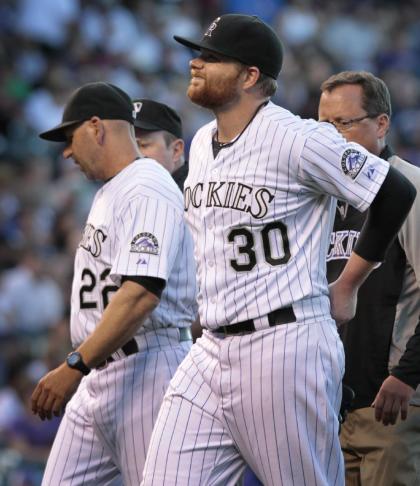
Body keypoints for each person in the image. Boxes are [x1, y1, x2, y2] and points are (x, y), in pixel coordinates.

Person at [140, 14, 416, 486]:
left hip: (283, 344)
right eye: (198, 53)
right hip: (211, 347)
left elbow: (395, 190)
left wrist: (348, 283)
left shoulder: (298, 137)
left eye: (211, 57)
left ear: (250, 76)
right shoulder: (203, 142)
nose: (195, 63)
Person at [31, 81, 197, 485]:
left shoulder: (147, 185)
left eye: (70, 138)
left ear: (96, 127)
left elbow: (140, 294)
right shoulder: (112, 189)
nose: (67, 151)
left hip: (148, 369)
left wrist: (75, 364)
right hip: (100, 369)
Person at [319, 71, 420, 485]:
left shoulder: (410, 186)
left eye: (344, 123)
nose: (332, 137)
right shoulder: (324, 198)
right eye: (323, 126)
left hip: (393, 402)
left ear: (381, 124)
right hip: (333, 405)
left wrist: (407, 375)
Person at [132, 98, 188, 191]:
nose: (133, 154)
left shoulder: (201, 196)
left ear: (176, 150)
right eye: (130, 145)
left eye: (143, 145)